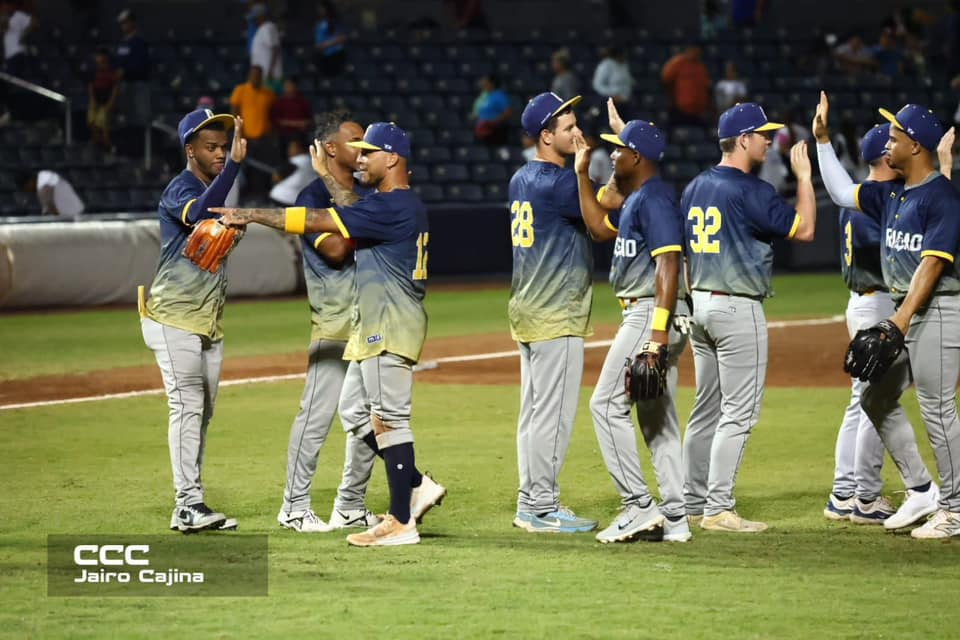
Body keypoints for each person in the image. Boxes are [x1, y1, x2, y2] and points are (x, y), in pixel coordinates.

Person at [212, 122, 447, 547]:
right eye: (356, 150)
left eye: (369, 152)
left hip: (387, 323)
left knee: (389, 421)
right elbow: (345, 208)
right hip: (378, 321)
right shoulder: (394, 203)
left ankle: (400, 521)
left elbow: (322, 220)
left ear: (391, 158)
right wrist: (324, 178)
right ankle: (413, 488)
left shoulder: (388, 206)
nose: (361, 158)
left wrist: (248, 213)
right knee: (357, 413)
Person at [815, 94, 960, 539]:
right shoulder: (891, 193)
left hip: (936, 310)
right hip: (904, 311)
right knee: (874, 399)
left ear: (915, 147)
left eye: (895, 136)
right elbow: (841, 193)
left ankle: (955, 508)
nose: (887, 143)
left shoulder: (942, 197)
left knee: (937, 410)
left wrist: (900, 320)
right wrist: (821, 141)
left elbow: (932, 265)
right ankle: (920, 492)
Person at [682, 102, 817, 533]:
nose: (768, 140)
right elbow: (806, 229)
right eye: (761, 134)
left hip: (699, 303)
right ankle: (719, 508)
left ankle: (692, 500)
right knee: (739, 414)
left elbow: (684, 253)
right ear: (742, 140)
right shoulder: (751, 190)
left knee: (707, 410)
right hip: (737, 306)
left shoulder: (695, 185)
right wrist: (803, 178)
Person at [572, 117, 692, 543]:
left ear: (637, 157)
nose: (613, 155)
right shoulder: (637, 199)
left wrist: (655, 338)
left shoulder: (655, 199)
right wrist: (581, 174)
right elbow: (597, 227)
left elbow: (669, 263)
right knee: (656, 420)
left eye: (619, 150)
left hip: (649, 313)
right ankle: (676, 519)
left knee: (605, 407)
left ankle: (638, 506)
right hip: (649, 313)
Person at [140, 109, 247, 533]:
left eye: (224, 146)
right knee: (185, 406)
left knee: (200, 414)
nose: (220, 153)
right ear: (190, 150)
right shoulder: (181, 188)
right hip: (173, 317)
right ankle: (187, 504)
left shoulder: (213, 189)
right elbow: (196, 213)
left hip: (207, 321)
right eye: (212, 147)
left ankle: (193, 500)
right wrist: (237, 166)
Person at [507, 92, 597, 534]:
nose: (578, 133)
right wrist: (592, 170)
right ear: (546, 136)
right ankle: (542, 506)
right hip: (555, 312)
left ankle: (532, 500)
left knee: (533, 414)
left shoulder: (521, 178)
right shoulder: (562, 184)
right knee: (552, 417)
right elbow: (604, 218)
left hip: (526, 308)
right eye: (568, 128)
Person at [115, 9, 152, 132]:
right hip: (124, 85)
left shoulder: (139, 42)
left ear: (132, 23)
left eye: (126, 22)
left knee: (140, 116)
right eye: (122, 23)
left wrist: (125, 71)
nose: (123, 26)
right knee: (126, 116)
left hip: (138, 84)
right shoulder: (122, 43)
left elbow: (141, 63)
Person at [661, 45, 711, 127]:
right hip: (680, 110)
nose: (695, 53)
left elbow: (706, 87)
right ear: (688, 50)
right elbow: (665, 79)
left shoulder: (701, 67)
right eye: (693, 50)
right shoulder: (677, 62)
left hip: (698, 111)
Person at [87, 47, 119, 150]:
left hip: (107, 101)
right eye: (97, 56)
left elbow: (115, 88)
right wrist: (93, 101)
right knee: (92, 122)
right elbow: (91, 86)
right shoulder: (94, 71)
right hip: (96, 100)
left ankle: (108, 147)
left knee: (102, 124)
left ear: (105, 57)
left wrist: (110, 103)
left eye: (100, 56)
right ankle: (96, 144)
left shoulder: (111, 71)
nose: (98, 58)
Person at [17, 169, 85, 217]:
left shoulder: (43, 184)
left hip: (71, 215)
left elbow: (50, 205)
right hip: (75, 212)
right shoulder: (44, 178)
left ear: (30, 182)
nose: (27, 191)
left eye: (26, 188)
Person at [248, 2, 283, 93]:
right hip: (263, 76)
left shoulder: (268, 27)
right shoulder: (260, 29)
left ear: (262, 16)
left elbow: (275, 48)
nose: (254, 20)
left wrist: (270, 71)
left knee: (272, 102)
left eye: (256, 17)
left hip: (271, 76)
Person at [269, 139, 315, 206]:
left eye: (293, 147)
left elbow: (277, 176)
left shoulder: (300, 159)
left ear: (301, 148)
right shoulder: (314, 161)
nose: (289, 150)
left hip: (284, 198)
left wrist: (276, 175)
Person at [471, 74, 511, 146]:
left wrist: (493, 122)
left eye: (485, 82)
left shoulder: (499, 95)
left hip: (494, 130)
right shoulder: (484, 95)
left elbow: (507, 112)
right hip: (480, 129)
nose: (483, 83)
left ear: (491, 83)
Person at [271, 77, 312, 146]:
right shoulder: (279, 102)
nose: (287, 87)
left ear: (295, 86)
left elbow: (309, 120)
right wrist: (293, 123)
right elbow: (276, 120)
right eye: (286, 85)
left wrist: (304, 123)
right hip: (284, 136)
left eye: (290, 85)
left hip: (300, 135)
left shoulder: (303, 101)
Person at [314, 1, 346, 76]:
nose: (319, 11)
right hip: (324, 58)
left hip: (336, 56)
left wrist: (327, 44)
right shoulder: (320, 25)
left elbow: (342, 38)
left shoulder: (335, 22)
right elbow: (319, 46)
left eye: (321, 8)